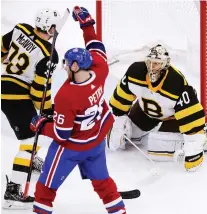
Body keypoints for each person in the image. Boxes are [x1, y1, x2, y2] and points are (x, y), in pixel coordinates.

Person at [30, 6, 126, 214]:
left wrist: (41, 125)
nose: (64, 67)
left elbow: (62, 134)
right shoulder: (100, 67)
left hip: (72, 147)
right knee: (103, 184)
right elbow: (95, 44)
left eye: (66, 64)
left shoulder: (66, 96)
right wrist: (86, 23)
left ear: (75, 67)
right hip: (96, 141)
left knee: (45, 188)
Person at [108, 44, 206, 172]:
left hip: (171, 117)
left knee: (155, 146)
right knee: (125, 137)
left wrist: (194, 142)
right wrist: (119, 118)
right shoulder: (135, 72)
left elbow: (190, 113)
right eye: (150, 62)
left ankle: (201, 137)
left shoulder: (176, 83)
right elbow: (121, 97)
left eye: (157, 63)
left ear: (165, 64)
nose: (152, 67)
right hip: (145, 112)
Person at [1, 8, 59, 208]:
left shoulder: (21, 29)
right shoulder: (49, 54)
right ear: (50, 28)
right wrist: (49, 111)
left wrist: (4, 61)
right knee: (29, 141)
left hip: (4, 88)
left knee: (33, 136)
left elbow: (1, 46)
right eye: (54, 28)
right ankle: (13, 194)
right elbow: (39, 90)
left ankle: (31, 161)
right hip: (18, 97)